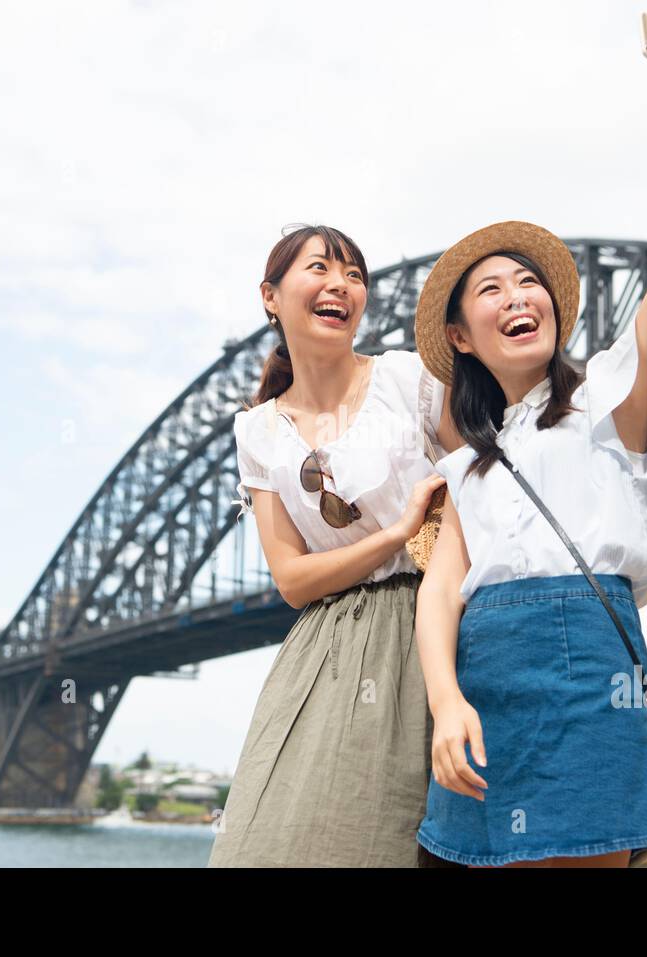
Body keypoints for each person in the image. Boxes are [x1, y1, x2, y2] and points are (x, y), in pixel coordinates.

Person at [410, 22, 647, 867]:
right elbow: (440, 591)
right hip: (485, 678)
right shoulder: (468, 463)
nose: (517, 294)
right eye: (491, 289)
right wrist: (447, 700)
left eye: (530, 282)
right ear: (460, 334)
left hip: (586, 669)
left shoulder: (612, 398)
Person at [207, 223, 464, 867]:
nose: (340, 285)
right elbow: (292, 580)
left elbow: (482, 483)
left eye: (354, 275)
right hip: (331, 653)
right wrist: (397, 533)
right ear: (270, 296)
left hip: (442, 617)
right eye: (319, 268)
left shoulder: (412, 379)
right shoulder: (258, 431)